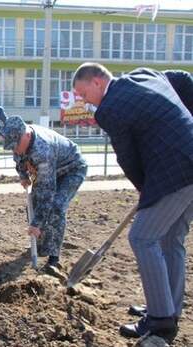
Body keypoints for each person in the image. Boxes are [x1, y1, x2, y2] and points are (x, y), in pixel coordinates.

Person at [73, 63, 193, 344]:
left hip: (175, 172)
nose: (82, 99)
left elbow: (127, 158)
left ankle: (160, 322)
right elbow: (185, 80)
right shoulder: (145, 74)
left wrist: (146, 191)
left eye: (82, 92)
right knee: (172, 239)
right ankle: (168, 308)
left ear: (98, 82)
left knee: (142, 237)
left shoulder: (110, 109)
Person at [0, 116, 87, 274]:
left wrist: (37, 223)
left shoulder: (42, 149)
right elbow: (19, 160)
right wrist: (23, 175)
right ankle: (38, 246)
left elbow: (47, 192)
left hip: (71, 170)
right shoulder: (19, 143)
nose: (15, 150)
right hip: (49, 171)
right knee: (33, 204)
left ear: (26, 135)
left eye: (16, 146)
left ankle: (53, 258)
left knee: (56, 207)